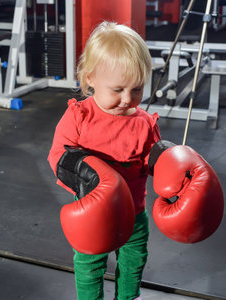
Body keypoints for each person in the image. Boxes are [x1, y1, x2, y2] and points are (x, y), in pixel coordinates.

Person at [47, 21, 160, 300]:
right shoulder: (79, 116)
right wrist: (84, 169)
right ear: (92, 78)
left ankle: (128, 297)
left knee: (134, 260)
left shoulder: (144, 122)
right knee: (89, 263)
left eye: (136, 90)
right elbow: (57, 155)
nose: (127, 100)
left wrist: (175, 167)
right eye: (118, 89)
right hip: (91, 213)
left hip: (134, 212)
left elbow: (151, 159)